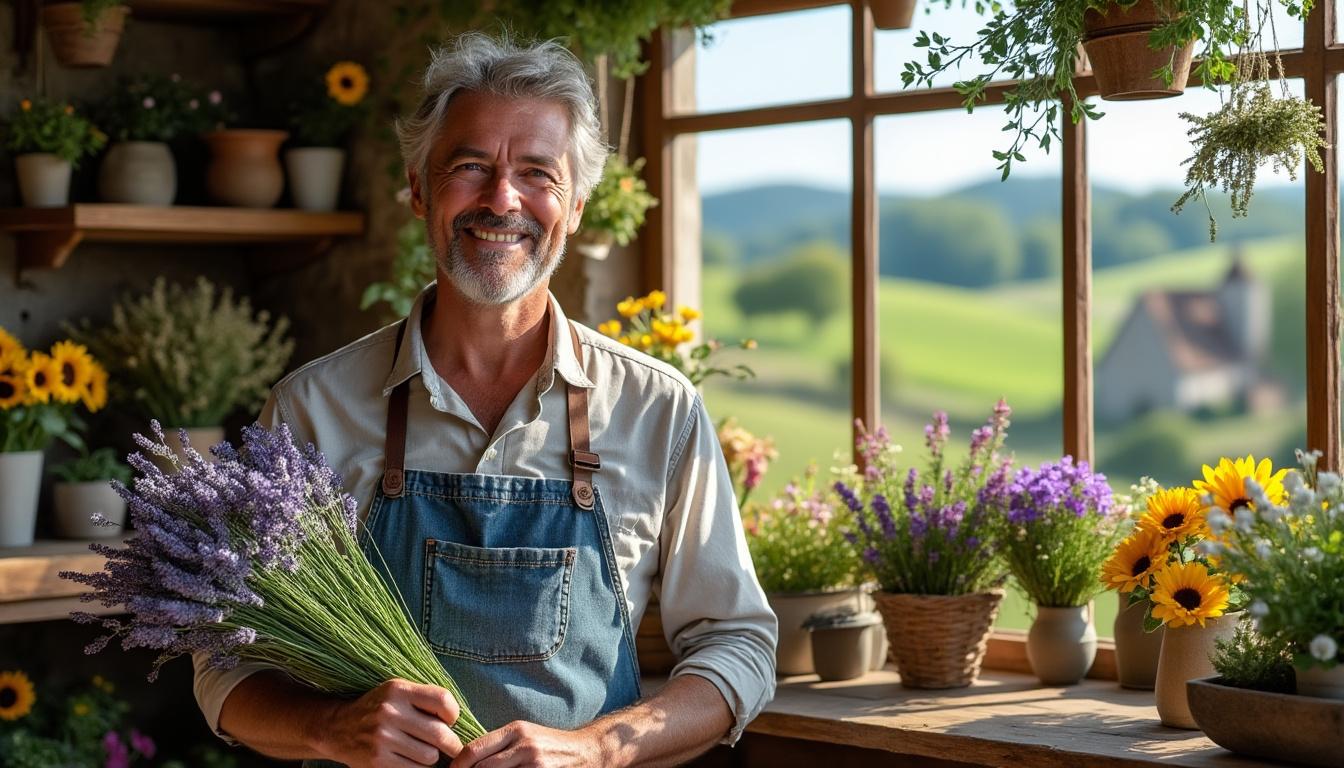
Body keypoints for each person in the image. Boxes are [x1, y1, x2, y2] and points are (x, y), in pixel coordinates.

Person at [191, 32, 778, 768]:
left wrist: (594, 749)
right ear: (418, 188)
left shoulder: (656, 409)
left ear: (577, 205)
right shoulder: (313, 410)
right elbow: (226, 658)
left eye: (538, 173)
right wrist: (327, 727)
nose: (503, 200)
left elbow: (738, 646)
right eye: (470, 167)